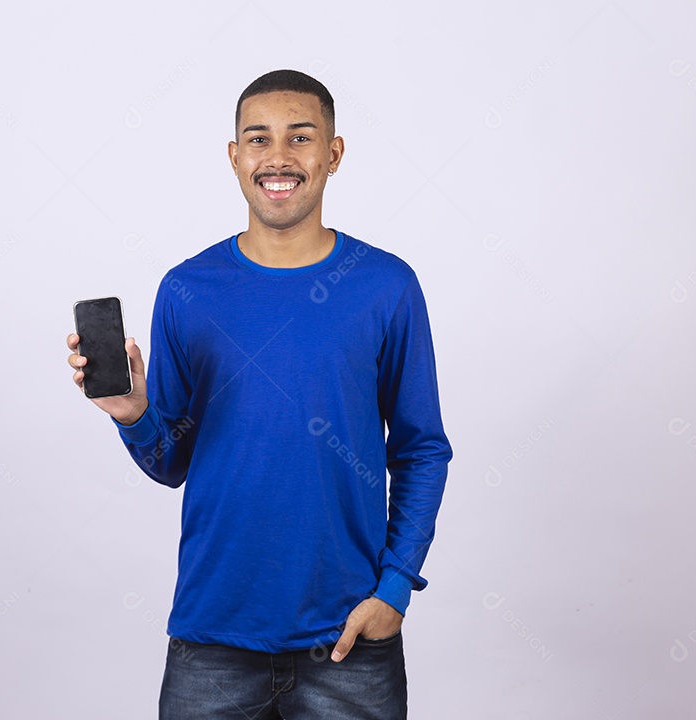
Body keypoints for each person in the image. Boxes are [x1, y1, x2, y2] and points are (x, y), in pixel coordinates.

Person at [67, 69, 452, 720]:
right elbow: (171, 461)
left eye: (300, 138)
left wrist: (394, 591)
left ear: (333, 153)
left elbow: (421, 451)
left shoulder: (386, 287)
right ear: (234, 156)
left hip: (349, 639)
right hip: (211, 641)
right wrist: (134, 413)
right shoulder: (188, 289)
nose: (278, 158)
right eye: (258, 139)